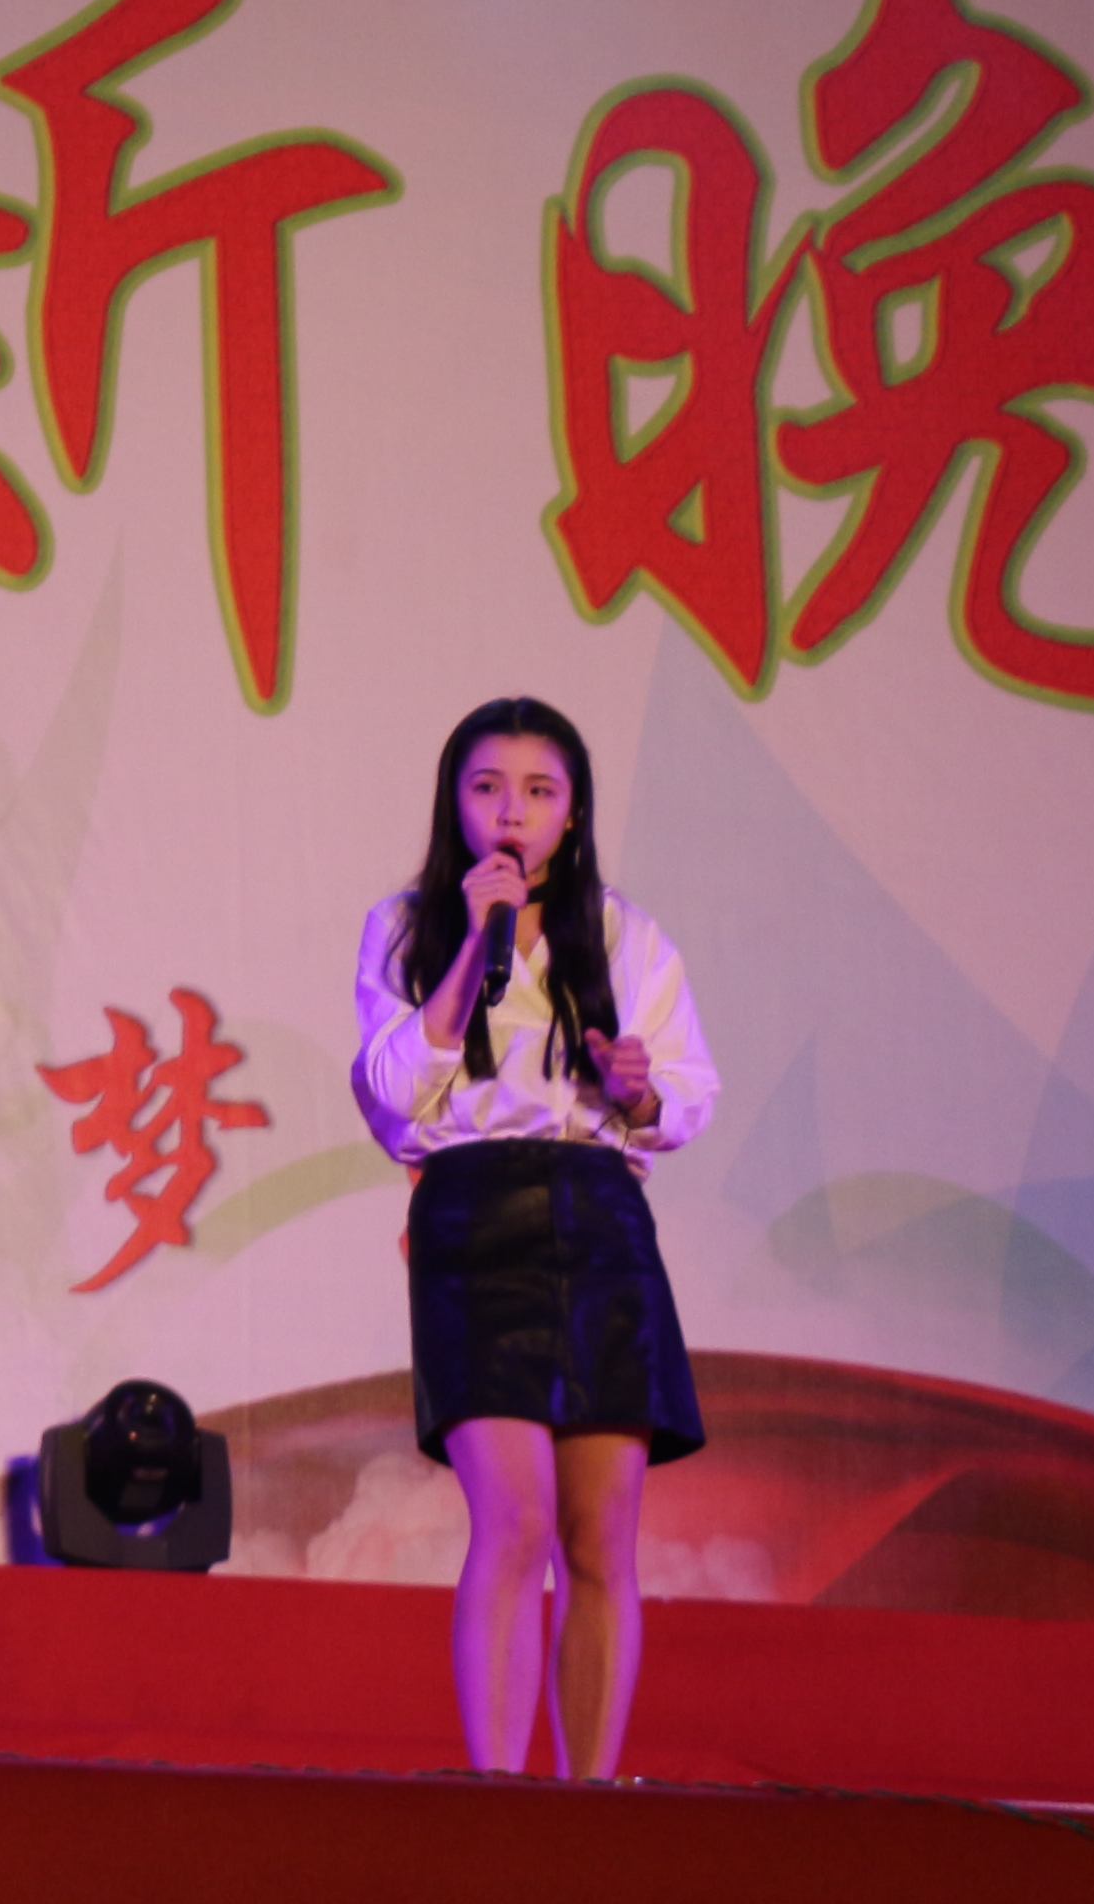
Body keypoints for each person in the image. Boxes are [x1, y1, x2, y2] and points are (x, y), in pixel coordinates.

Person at [347, 695, 717, 1781]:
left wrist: (634, 1092)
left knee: (600, 1537)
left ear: (573, 812)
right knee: (512, 1519)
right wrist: (476, 947)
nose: (513, 812)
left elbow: (688, 1095)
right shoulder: (408, 930)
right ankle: (500, 1800)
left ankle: (590, 1800)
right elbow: (391, 1099)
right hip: (473, 1217)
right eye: (489, 788)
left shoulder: (628, 936)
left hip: (599, 1217)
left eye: (539, 791)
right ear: (455, 804)